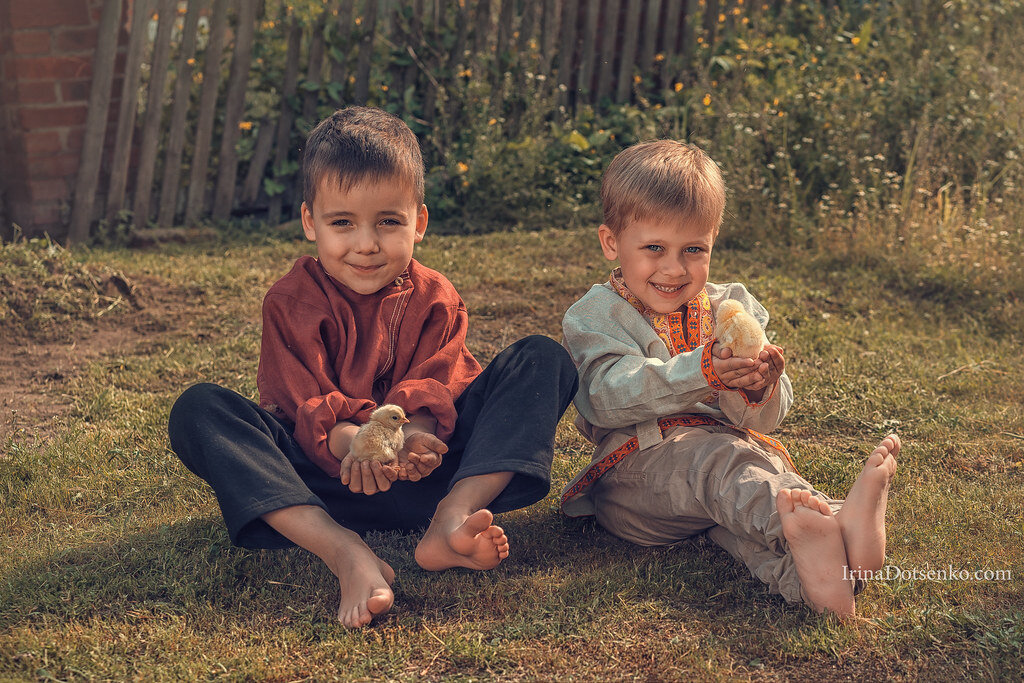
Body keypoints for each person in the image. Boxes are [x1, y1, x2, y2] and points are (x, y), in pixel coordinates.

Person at [168, 106, 578, 628]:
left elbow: (433, 385)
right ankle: (343, 551)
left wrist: (415, 443)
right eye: (343, 223)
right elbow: (305, 403)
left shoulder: (436, 298)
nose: (366, 244)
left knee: (543, 358)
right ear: (309, 222)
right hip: (327, 485)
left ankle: (451, 520)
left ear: (419, 223)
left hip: (435, 475)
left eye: (388, 221)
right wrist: (354, 446)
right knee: (200, 409)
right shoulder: (290, 301)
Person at [559, 139, 899, 616]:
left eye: (694, 249)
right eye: (654, 247)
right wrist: (701, 372)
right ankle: (841, 522)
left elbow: (764, 422)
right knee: (725, 465)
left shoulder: (729, 305)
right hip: (633, 480)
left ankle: (819, 583)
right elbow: (604, 398)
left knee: (747, 501)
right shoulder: (595, 316)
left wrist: (758, 386)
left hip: (724, 479)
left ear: (713, 241)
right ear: (611, 242)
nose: (674, 268)